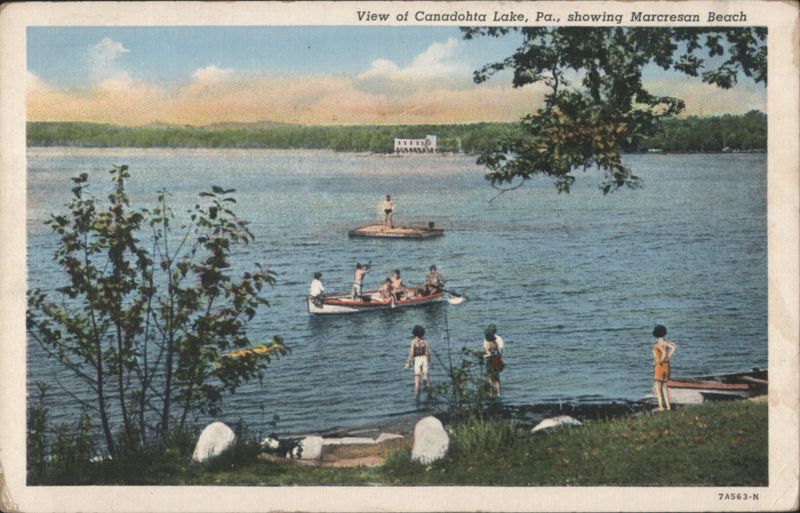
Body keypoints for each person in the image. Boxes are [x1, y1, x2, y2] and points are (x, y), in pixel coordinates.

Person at [652, 324, 677, 411]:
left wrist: (663, 357)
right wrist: (668, 356)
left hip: (659, 367)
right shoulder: (666, 343)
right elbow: (674, 347)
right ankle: (668, 406)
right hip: (667, 366)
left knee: (658, 388)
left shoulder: (657, 345)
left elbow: (659, 358)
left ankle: (661, 407)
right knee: (665, 387)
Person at [404, 325, 431, 398]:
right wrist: (429, 360)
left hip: (417, 360)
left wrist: (407, 362)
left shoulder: (413, 342)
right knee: (426, 374)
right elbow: (427, 352)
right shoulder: (425, 341)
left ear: (414, 333)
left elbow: (412, 353)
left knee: (417, 378)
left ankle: (417, 395)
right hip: (424, 359)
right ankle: (428, 393)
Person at [483, 329, 504, 397]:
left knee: (489, 379)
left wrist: (483, 355)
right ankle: (498, 393)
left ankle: (490, 394)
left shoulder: (488, 344)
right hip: (497, 362)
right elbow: (500, 352)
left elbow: (488, 354)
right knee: (497, 379)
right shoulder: (496, 343)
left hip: (490, 363)